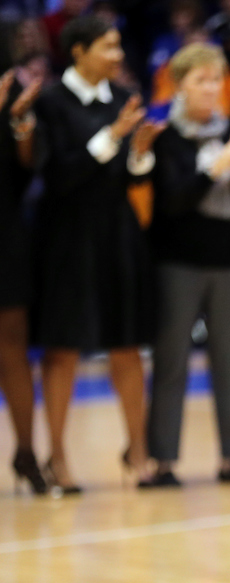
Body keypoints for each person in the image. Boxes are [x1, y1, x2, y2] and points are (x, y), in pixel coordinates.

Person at [32, 15, 165, 493]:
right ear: (78, 51)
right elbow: (59, 176)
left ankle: (138, 450)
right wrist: (111, 139)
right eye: (108, 47)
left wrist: (140, 152)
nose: (118, 55)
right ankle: (58, 456)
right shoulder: (49, 103)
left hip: (117, 234)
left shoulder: (121, 100)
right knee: (63, 347)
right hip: (67, 238)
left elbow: (129, 177)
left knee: (127, 344)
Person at [144, 43, 230, 488]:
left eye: (216, 79)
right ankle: (163, 460)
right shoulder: (165, 135)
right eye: (201, 80)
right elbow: (172, 202)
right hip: (179, 260)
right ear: (180, 85)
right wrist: (213, 170)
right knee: (172, 361)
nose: (211, 88)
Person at [0, 64, 46, 494]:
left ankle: (27, 452)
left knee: (12, 346)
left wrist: (19, 119)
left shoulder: (10, 83)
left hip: (6, 232)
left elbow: (28, 168)